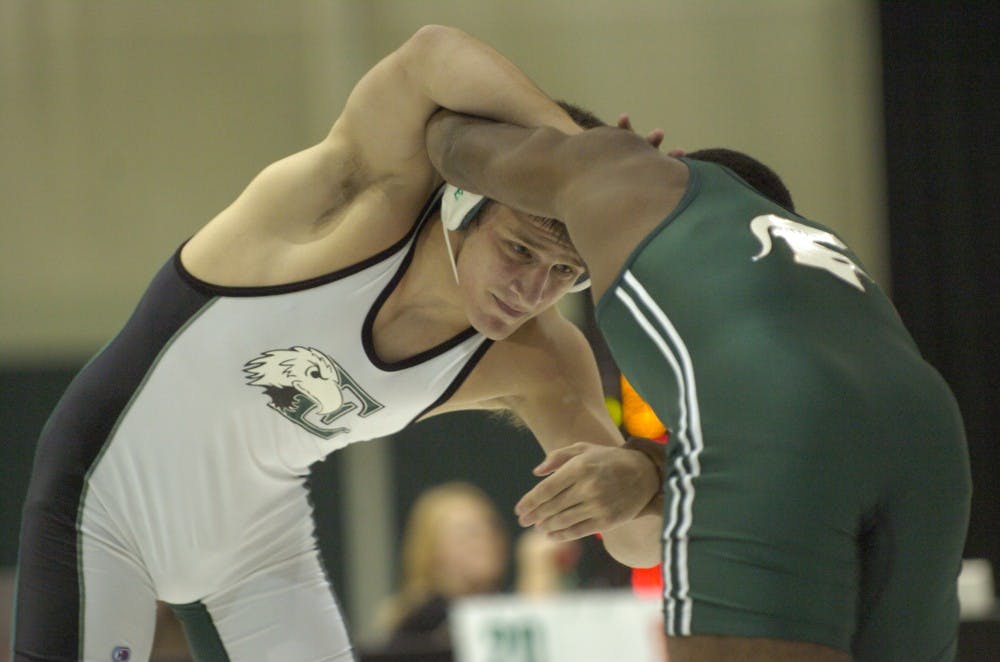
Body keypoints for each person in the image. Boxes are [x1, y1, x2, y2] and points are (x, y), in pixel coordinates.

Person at [12, 26, 663, 661]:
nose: (533, 290)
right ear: (464, 205)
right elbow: (431, 54)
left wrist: (643, 477)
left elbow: (636, 544)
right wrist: (585, 159)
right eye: (519, 250)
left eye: (565, 272)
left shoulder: (542, 359)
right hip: (105, 495)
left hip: (255, 546)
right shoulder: (366, 197)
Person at [425, 103, 972, 658]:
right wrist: (649, 469)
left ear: (676, 165)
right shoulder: (815, 251)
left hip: (776, 412)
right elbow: (831, 423)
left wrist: (589, 147)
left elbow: (447, 137)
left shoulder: (617, 171)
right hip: (932, 430)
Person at [372, 482, 508, 656]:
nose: (486, 541)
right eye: (470, 533)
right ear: (431, 549)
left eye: (491, 529)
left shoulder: (507, 608)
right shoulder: (420, 626)